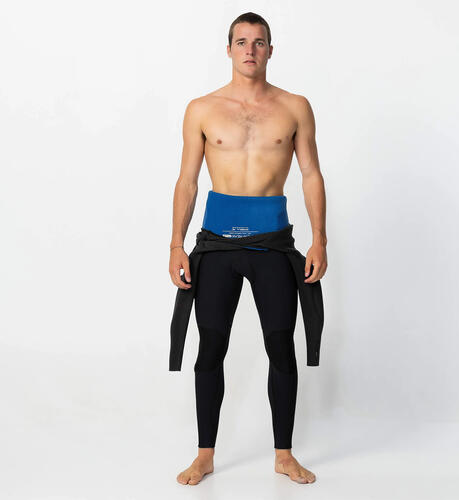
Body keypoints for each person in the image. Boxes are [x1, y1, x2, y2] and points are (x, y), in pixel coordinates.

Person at [169, 12, 328, 485]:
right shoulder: (202, 108)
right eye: (241, 42)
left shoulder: (294, 106)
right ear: (229, 50)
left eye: (259, 42)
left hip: (273, 244)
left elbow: (311, 174)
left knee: (280, 345)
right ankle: (204, 455)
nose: (250, 50)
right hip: (216, 244)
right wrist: (176, 243)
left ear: (270, 50)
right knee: (210, 346)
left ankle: (284, 454)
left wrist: (319, 239)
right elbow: (187, 180)